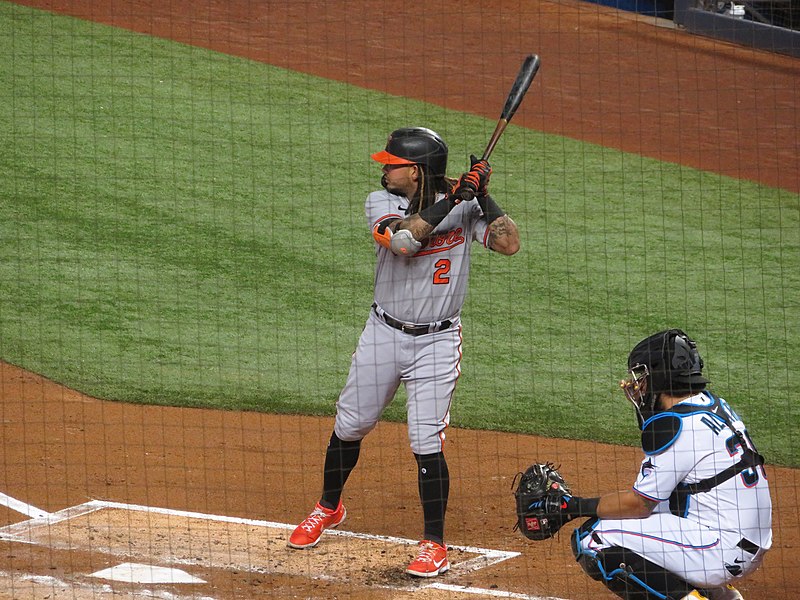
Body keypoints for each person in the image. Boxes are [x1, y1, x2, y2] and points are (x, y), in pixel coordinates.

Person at [287, 126, 520, 577]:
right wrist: (454, 200)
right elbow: (404, 241)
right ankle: (328, 507)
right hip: (384, 333)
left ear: (414, 172)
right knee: (351, 425)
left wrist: (484, 197)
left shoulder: (467, 206)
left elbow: (509, 243)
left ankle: (434, 543)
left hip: (436, 341)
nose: (383, 169)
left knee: (425, 440)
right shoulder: (382, 204)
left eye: (391, 164)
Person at [550, 329, 772, 599]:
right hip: (746, 542)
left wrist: (571, 506)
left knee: (593, 538)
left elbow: (638, 504)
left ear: (659, 375)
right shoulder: (712, 405)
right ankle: (719, 596)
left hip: (721, 550)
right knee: (669, 500)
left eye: (642, 376)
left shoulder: (677, 425)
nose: (638, 385)